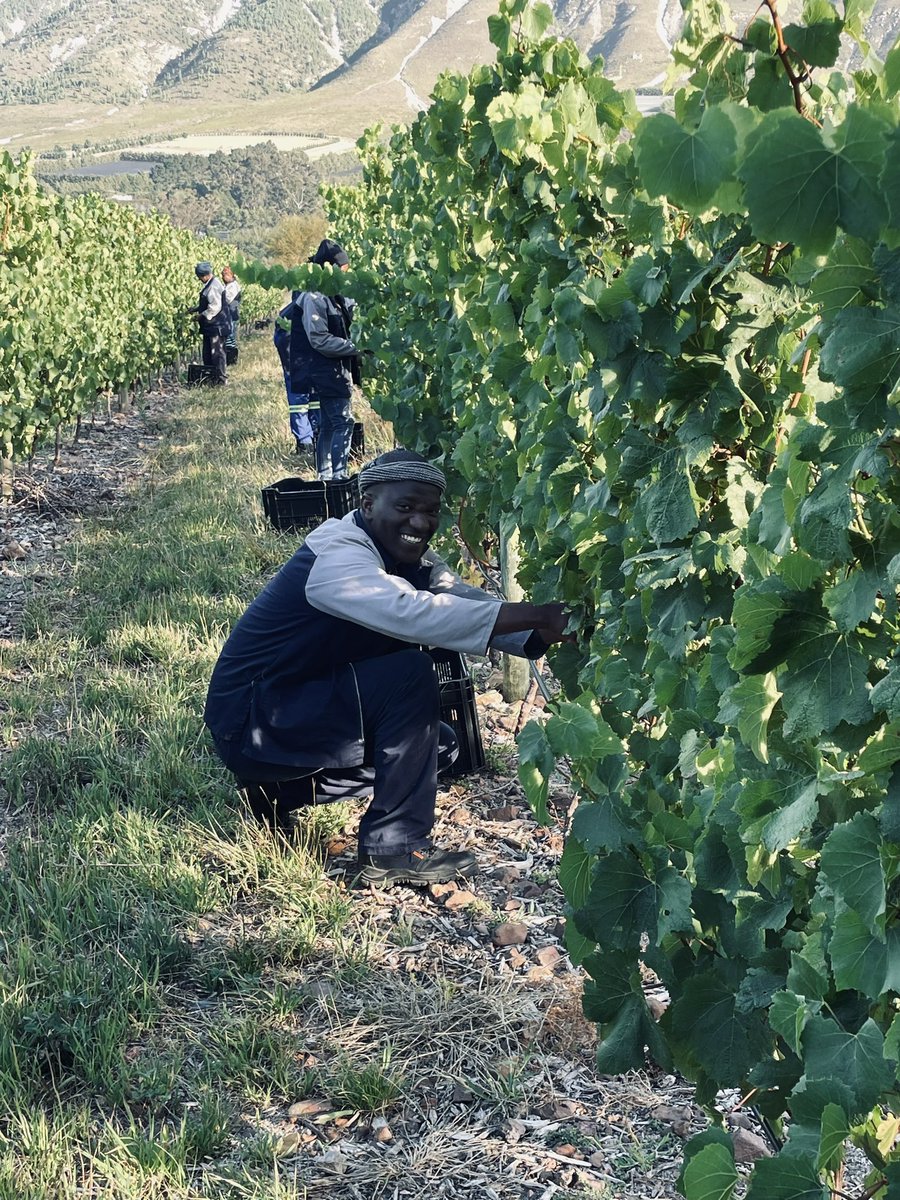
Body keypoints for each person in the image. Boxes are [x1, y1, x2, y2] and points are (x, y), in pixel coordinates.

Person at [204, 449, 571, 888]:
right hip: (254, 720)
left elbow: (460, 599)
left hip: (291, 709)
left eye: (430, 511)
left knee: (439, 748)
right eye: (404, 507)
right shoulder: (338, 556)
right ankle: (392, 849)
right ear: (366, 504)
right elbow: (411, 612)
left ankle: (276, 792)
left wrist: (537, 634)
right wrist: (535, 614)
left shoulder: (405, 559)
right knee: (410, 673)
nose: (420, 522)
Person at [290, 239, 359, 482]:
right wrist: (356, 347)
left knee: (330, 423)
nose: (346, 275)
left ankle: (326, 478)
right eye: (342, 270)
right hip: (322, 369)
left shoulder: (332, 294)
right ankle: (339, 477)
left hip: (331, 368)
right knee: (343, 422)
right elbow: (319, 339)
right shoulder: (314, 297)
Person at [273, 290, 320, 456]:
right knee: (300, 399)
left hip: (301, 358)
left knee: (312, 398)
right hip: (296, 358)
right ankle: (306, 441)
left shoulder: (294, 309)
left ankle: (312, 436)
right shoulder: (303, 312)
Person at [189, 262, 228, 385]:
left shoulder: (213, 286)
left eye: (199, 277)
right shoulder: (210, 284)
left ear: (205, 275)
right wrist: (195, 309)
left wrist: (200, 316)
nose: (199, 279)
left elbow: (215, 307)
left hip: (217, 326)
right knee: (208, 353)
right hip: (211, 326)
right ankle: (211, 378)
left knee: (217, 354)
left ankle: (220, 380)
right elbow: (207, 303)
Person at [222, 265, 242, 366]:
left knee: (230, 337)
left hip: (231, 314)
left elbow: (227, 300)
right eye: (222, 275)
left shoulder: (233, 286)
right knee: (229, 337)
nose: (223, 277)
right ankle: (230, 360)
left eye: (225, 275)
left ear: (231, 275)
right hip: (229, 314)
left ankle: (231, 360)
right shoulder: (229, 285)